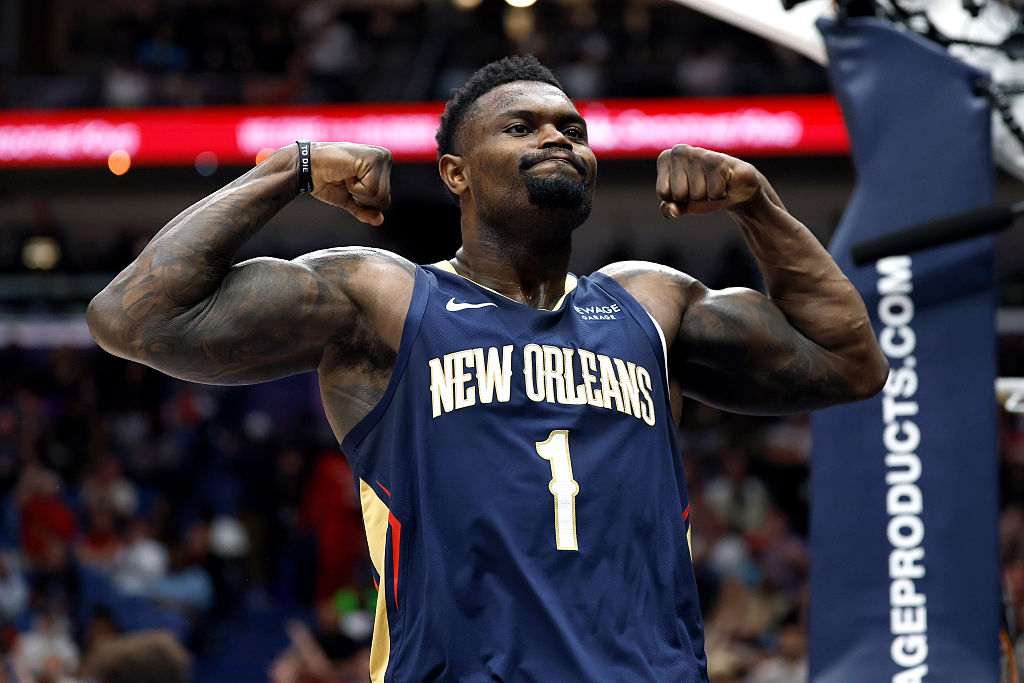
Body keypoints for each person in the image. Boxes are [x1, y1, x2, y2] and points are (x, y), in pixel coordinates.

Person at [87, 55, 888, 681]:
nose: (557, 138)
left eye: (572, 128)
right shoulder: (389, 298)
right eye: (522, 126)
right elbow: (132, 318)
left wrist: (757, 201)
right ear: (455, 173)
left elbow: (850, 362)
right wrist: (288, 168)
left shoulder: (651, 302)